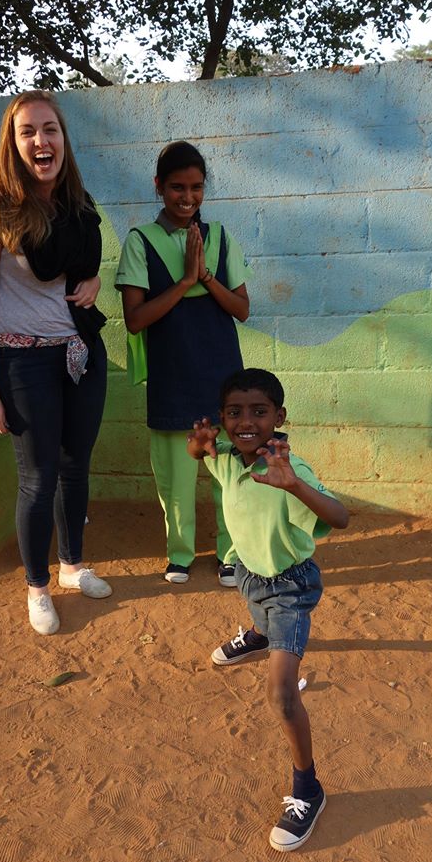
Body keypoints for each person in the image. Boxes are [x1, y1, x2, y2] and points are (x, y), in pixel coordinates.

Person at [0, 90, 112, 636]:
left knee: (76, 466)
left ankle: (71, 567)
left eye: (50, 129)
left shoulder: (78, 204)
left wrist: (93, 281)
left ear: (64, 140)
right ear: (13, 143)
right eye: (28, 132)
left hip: (80, 355)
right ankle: (37, 585)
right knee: (38, 478)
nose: (41, 141)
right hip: (21, 364)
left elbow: (81, 272)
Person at [187, 368, 349, 851]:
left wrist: (293, 486)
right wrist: (199, 446)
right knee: (255, 604)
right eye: (234, 412)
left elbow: (339, 516)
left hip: (289, 588)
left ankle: (309, 788)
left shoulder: (287, 470)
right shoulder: (231, 463)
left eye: (259, 411)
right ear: (223, 419)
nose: (246, 421)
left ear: (279, 417)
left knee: (282, 696)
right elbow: (204, 456)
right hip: (250, 575)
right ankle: (259, 634)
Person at [116, 141, 251, 587]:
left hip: (221, 374)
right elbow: (136, 320)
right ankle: (180, 554)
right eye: (177, 187)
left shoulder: (221, 238)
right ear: (159, 186)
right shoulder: (140, 242)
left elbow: (242, 309)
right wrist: (186, 281)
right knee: (174, 478)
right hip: (173, 374)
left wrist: (207, 278)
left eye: (196, 187)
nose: (187, 197)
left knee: (227, 472)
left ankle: (232, 553)